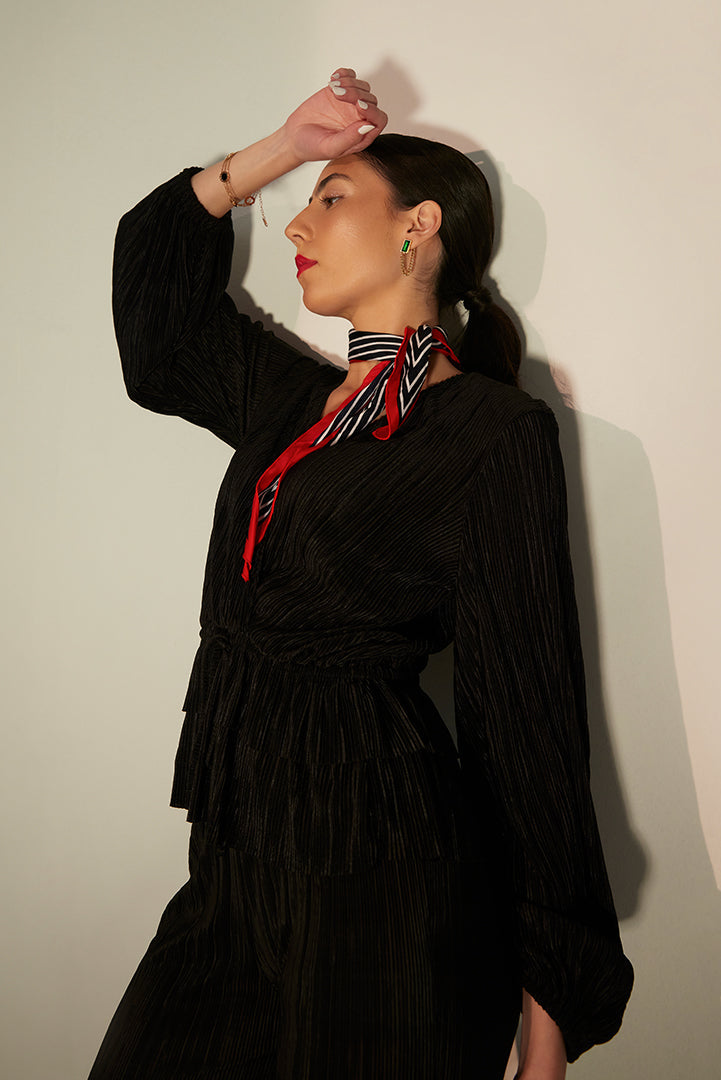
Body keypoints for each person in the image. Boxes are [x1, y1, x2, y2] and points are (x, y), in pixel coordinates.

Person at [89, 69, 633, 1080]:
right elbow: (155, 336)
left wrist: (548, 1023)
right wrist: (282, 149)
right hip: (231, 874)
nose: (296, 226)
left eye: (330, 198)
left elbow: (527, 716)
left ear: (418, 226)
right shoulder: (288, 402)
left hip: (383, 893)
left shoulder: (492, 432)